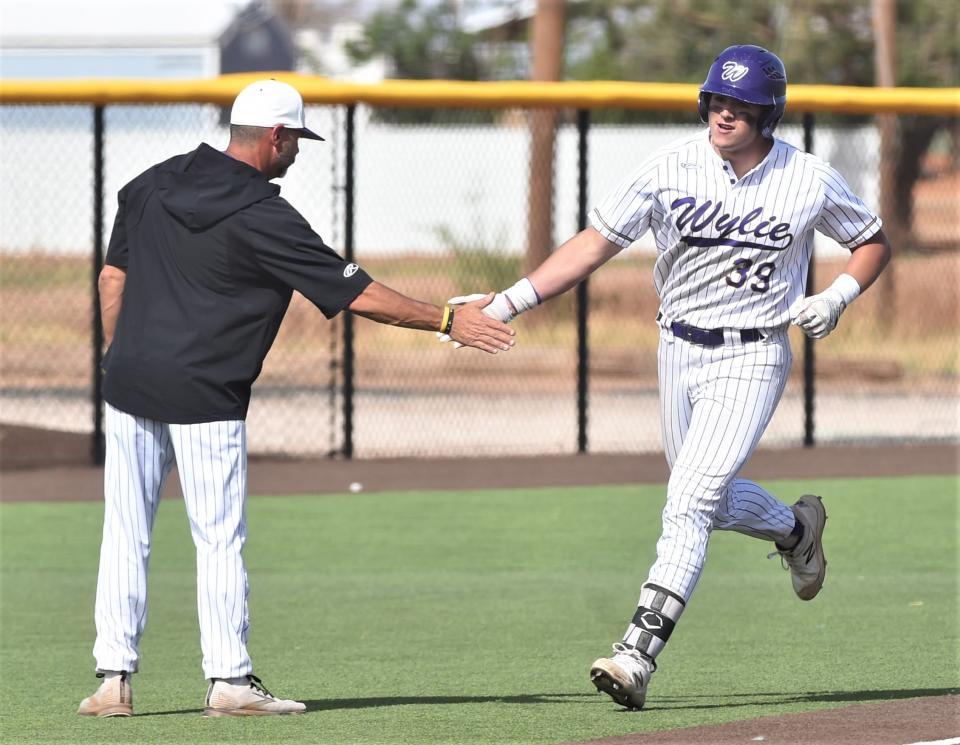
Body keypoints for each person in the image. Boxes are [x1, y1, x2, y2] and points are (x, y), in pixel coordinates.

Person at [450, 45, 891, 709]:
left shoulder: (807, 177)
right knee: (702, 500)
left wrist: (837, 296)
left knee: (686, 500)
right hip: (677, 348)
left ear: (768, 112)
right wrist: (508, 301)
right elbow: (594, 244)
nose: (725, 111)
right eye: (717, 98)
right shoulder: (669, 167)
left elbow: (873, 238)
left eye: (740, 103)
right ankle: (796, 530)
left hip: (753, 352)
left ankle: (637, 653)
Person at [78, 79, 515, 719]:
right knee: (218, 539)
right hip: (206, 394)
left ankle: (111, 683)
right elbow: (357, 293)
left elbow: (112, 276)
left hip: (131, 385)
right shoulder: (263, 215)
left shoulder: (151, 183)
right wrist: (448, 320)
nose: (296, 154)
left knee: (124, 532)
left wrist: (116, 355)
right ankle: (228, 681)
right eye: (296, 142)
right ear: (276, 137)